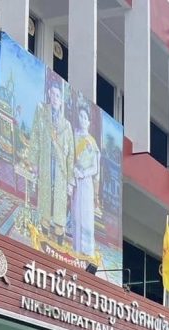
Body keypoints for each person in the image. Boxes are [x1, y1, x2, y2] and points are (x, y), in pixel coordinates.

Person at [29, 80, 74, 239]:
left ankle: (59, 232)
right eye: (53, 94)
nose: (55, 98)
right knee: (45, 194)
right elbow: (35, 136)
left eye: (58, 96)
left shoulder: (66, 125)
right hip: (46, 162)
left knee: (60, 199)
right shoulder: (41, 112)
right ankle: (44, 227)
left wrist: (70, 180)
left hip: (61, 168)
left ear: (61, 100)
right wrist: (34, 162)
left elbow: (71, 155)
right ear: (49, 94)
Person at [71, 104, 100, 257]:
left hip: (86, 182)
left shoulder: (92, 143)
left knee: (86, 216)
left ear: (89, 122)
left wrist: (83, 173)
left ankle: (87, 251)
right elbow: (69, 156)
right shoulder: (74, 136)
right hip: (75, 179)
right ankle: (76, 248)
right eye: (81, 116)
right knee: (76, 213)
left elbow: (95, 168)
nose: (82, 120)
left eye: (85, 117)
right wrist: (74, 170)